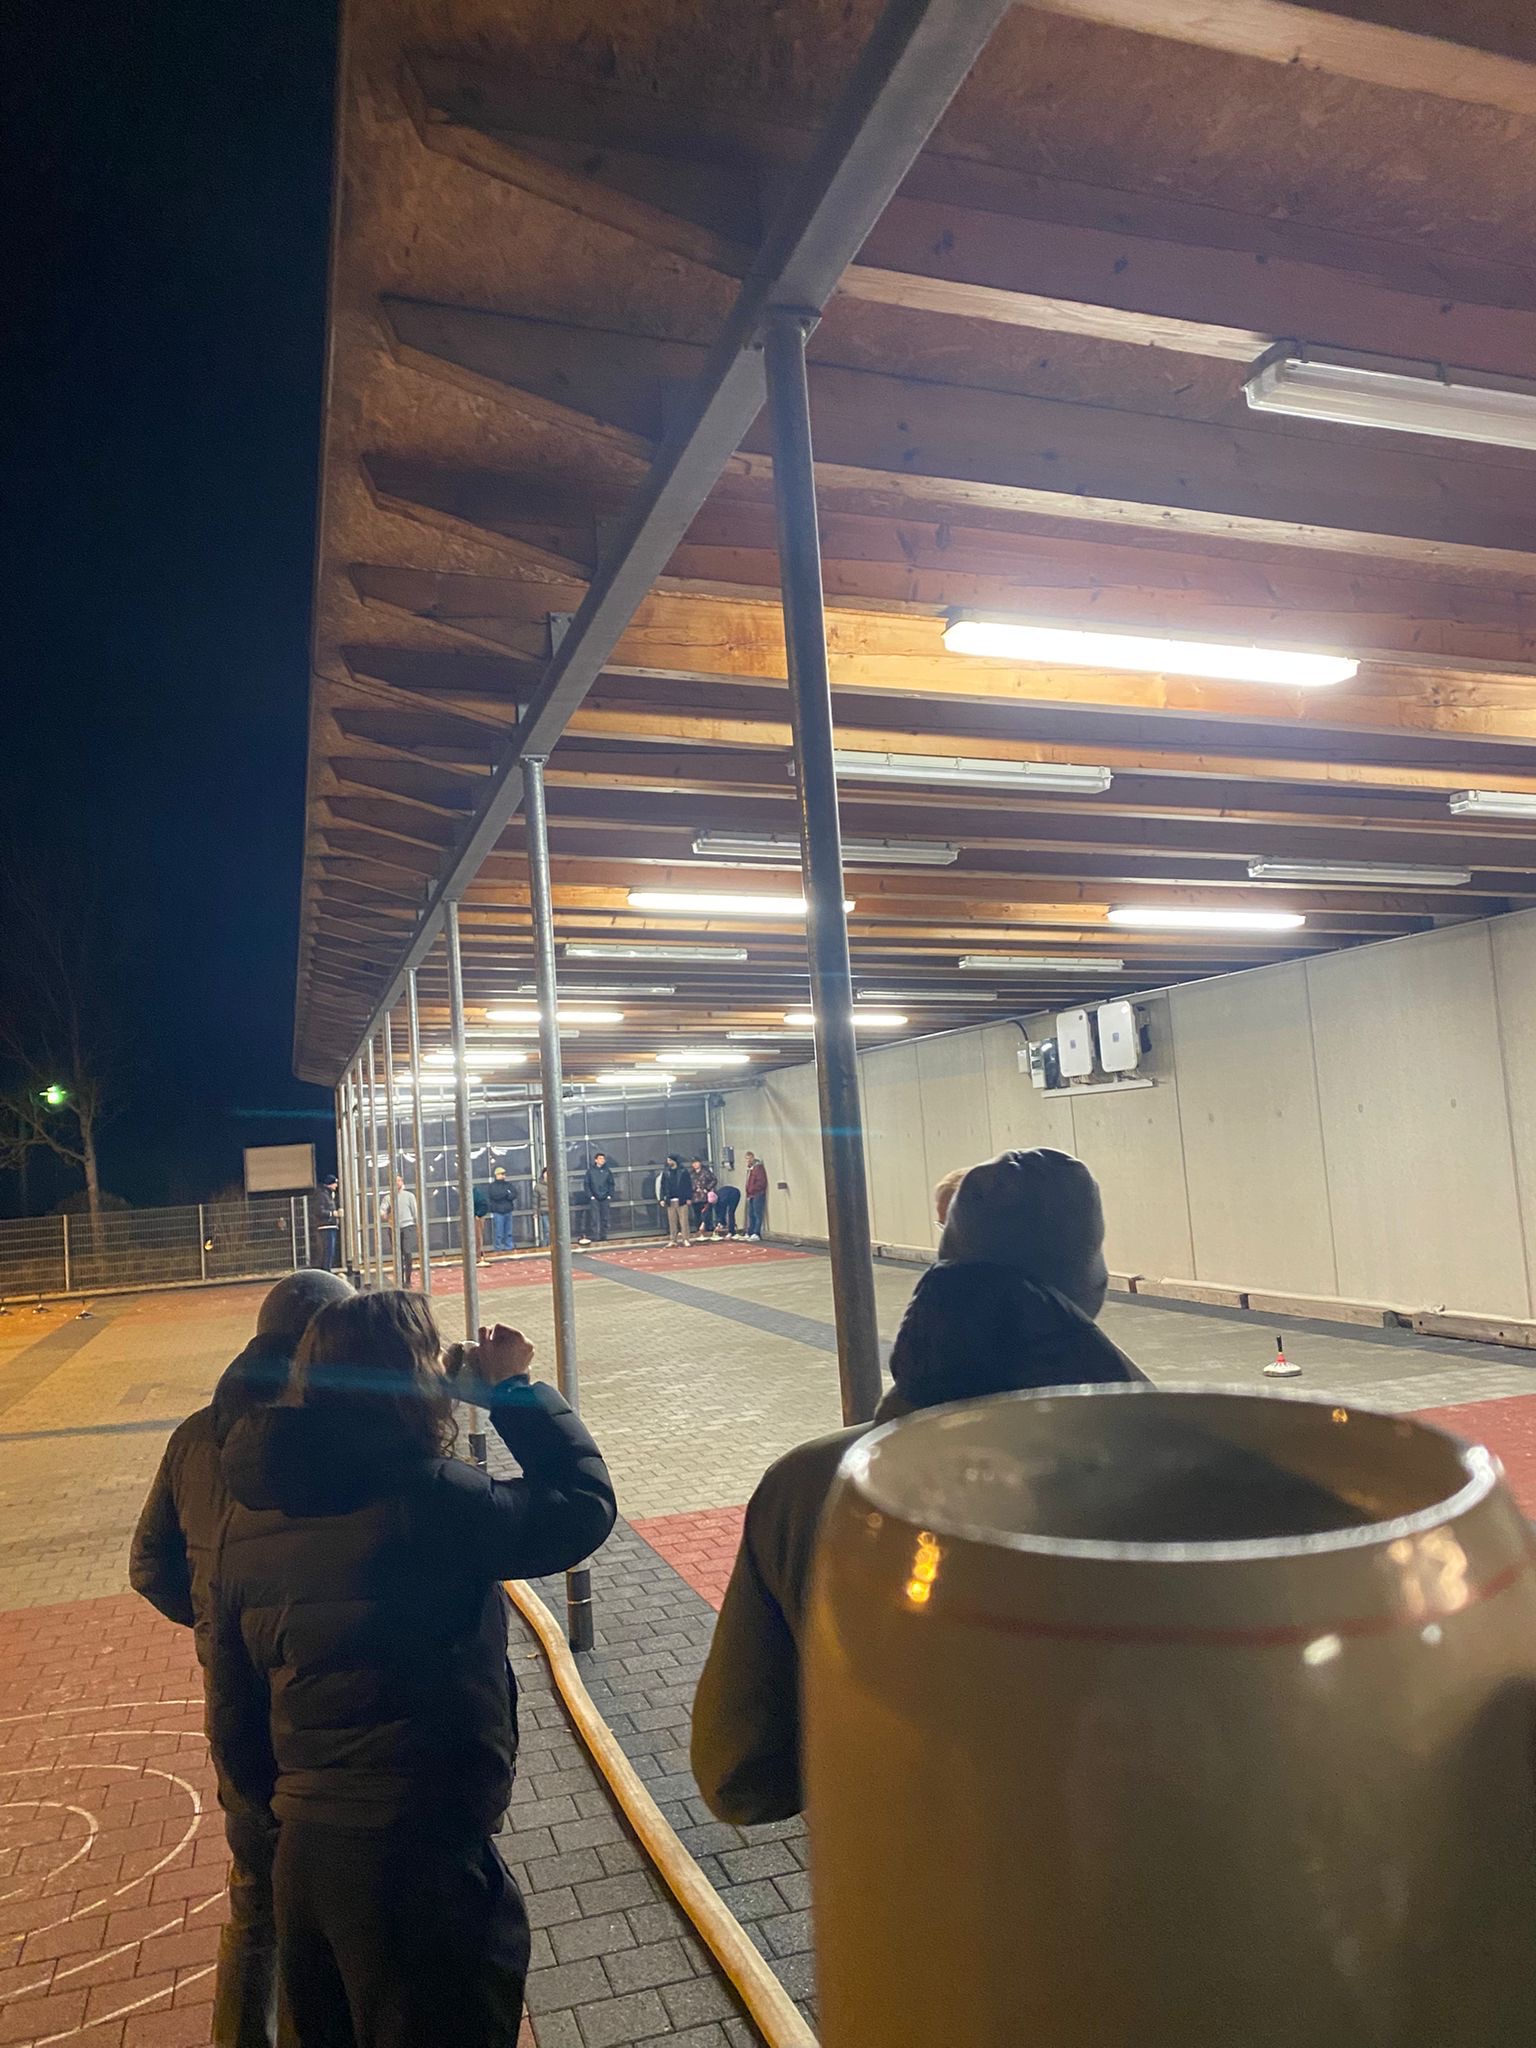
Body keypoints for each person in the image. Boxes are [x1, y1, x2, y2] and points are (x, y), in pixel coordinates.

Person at [206, 1293, 617, 2048]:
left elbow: (231, 1705)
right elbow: (579, 1506)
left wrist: (278, 1817)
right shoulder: (428, 1496)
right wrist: (511, 1390)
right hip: (419, 1856)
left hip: (303, 1857)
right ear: (409, 1382)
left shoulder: (248, 1514)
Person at [691, 1148, 1147, 1827]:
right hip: (1139, 1866)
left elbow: (741, 1773)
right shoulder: (1183, 1475)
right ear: (1092, 1284)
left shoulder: (810, 1483)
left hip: (909, 1866)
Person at [129, 1268, 355, 2048]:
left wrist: (215, 1627)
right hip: (319, 1707)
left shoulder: (194, 1435)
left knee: (256, 1899)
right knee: (334, 1902)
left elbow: (149, 1566)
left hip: (234, 1705)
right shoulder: (334, 1436)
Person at [580, 1152, 616, 1244]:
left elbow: (611, 1184)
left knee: (605, 1217)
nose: (602, 1160)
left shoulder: (607, 1171)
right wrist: (591, 1196)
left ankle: (604, 1236)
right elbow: (587, 1184)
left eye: (603, 1159)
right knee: (594, 1218)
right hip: (594, 1198)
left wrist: (609, 1195)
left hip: (605, 1198)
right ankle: (595, 1236)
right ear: (596, 1160)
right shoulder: (590, 1171)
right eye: (600, 1159)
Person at [659, 1154, 693, 1246]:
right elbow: (662, 1186)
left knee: (684, 1221)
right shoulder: (666, 1173)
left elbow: (688, 1185)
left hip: (682, 1199)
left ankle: (685, 1239)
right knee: (672, 1222)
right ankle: (673, 1240)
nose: (668, 1162)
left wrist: (689, 1197)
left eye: (670, 1160)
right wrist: (662, 1198)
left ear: (674, 1161)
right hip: (670, 1200)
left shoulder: (683, 1171)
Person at [392, 1174, 420, 1287]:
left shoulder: (409, 1196)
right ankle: (400, 1279)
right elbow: (382, 1211)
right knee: (398, 1255)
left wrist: (417, 1225)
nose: (397, 1183)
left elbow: (415, 1212)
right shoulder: (389, 1197)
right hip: (394, 1228)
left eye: (399, 1180)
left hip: (408, 1226)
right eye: (395, 1181)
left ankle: (407, 1280)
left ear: (402, 1182)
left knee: (407, 1252)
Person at [487, 1165, 516, 1253]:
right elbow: (494, 1195)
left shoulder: (508, 1184)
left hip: (508, 1210)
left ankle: (509, 1247)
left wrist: (506, 1195)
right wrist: (506, 1194)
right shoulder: (492, 1186)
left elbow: (514, 1194)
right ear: (497, 1175)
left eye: (504, 1174)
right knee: (498, 1232)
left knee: (508, 1231)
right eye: (502, 1174)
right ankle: (498, 1248)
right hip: (498, 1211)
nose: (504, 1176)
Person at [315, 1175, 341, 1272]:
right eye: (335, 1183)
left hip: (330, 1226)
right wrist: (332, 1214)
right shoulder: (322, 1195)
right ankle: (326, 1270)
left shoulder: (328, 1195)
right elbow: (319, 1211)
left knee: (329, 1251)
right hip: (326, 1227)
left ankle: (327, 1269)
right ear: (330, 1184)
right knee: (327, 1251)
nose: (336, 1185)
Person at [689, 1157, 718, 1238]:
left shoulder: (706, 1172)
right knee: (697, 1214)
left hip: (704, 1197)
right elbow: (688, 1184)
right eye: (693, 1163)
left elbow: (714, 1180)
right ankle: (698, 1230)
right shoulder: (691, 1174)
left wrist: (707, 1188)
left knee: (706, 1213)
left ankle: (707, 1230)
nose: (695, 1164)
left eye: (696, 1162)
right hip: (694, 1197)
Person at [744, 1152, 768, 1241]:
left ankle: (756, 1233)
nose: (748, 1160)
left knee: (757, 1213)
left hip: (757, 1194)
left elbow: (761, 1182)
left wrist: (753, 1189)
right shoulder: (750, 1169)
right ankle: (750, 1232)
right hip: (751, 1194)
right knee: (751, 1214)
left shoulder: (758, 1168)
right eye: (747, 1158)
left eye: (750, 1158)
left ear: (753, 1157)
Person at [471, 1178, 491, 1263]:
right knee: (474, 1237)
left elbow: (484, 1204)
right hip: (471, 1217)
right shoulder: (473, 1194)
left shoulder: (476, 1194)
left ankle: (478, 1256)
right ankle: (475, 1255)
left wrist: (478, 1215)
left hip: (476, 1217)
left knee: (477, 1237)